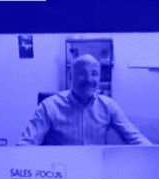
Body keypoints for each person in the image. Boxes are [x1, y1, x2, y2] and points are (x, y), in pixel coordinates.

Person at [16, 54, 151, 146]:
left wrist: (156, 155)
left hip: (96, 168)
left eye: (94, 74)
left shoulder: (108, 105)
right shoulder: (48, 107)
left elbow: (134, 137)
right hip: (61, 169)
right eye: (82, 73)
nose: (89, 79)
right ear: (70, 76)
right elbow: (26, 143)